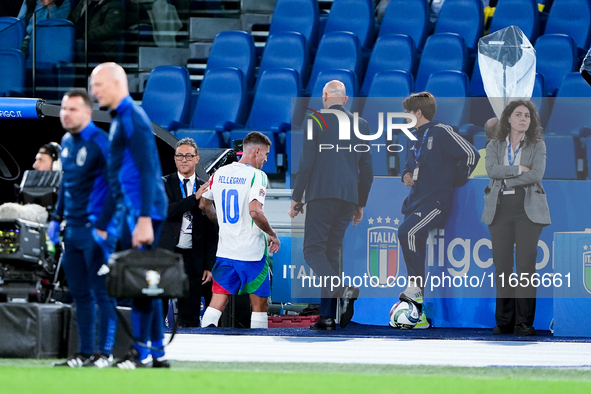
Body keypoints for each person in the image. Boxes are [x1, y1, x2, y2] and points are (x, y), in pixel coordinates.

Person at [90, 62, 169, 368]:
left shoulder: (132, 118)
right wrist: (103, 224)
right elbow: (115, 178)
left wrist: (145, 219)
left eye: (98, 85)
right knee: (142, 284)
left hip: (143, 212)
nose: (94, 91)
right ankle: (157, 353)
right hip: (132, 210)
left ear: (115, 83)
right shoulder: (119, 119)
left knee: (142, 284)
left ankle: (142, 352)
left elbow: (150, 169)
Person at [288, 80, 374, 331]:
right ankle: (326, 316)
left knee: (313, 251)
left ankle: (339, 287)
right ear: (345, 100)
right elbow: (366, 170)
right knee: (331, 253)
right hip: (348, 196)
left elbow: (307, 162)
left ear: (324, 96)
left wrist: (297, 196)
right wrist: (360, 203)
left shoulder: (316, 120)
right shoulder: (362, 124)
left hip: (321, 194)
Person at [50, 88, 118, 368]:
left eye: (73, 109)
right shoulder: (65, 142)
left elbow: (117, 187)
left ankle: (105, 353)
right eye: (64, 109)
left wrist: (102, 227)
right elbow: (67, 183)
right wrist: (56, 218)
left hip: (96, 231)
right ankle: (84, 352)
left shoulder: (102, 143)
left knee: (102, 292)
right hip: (73, 230)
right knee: (79, 294)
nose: (66, 114)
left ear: (88, 113)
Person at [398, 92, 479, 329]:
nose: (404, 117)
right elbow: (408, 164)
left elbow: (471, 154)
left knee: (408, 232)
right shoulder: (412, 137)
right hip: (416, 199)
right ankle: (418, 306)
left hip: (435, 202)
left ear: (418, 113)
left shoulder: (442, 132)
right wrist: (405, 175)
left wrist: (455, 180)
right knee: (409, 235)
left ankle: (415, 289)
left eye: (407, 112)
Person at [482, 100, 550, 336]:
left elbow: (537, 175)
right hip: (499, 207)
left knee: (525, 267)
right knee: (502, 265)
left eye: (528, 116)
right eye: (518, 114)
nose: (523, 119)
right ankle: (504, 321)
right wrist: (519, 169)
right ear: (508, 119)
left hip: (527, 208)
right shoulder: (494, 145)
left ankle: (524, 322)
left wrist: (508, 178)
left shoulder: (537, 145)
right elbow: (491, 170)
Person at [199, 131, 281, 329]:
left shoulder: (220, 173)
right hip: (251, 253)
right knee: (259, 304)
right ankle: (259, 350)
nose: (266, 159)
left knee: (217, 302)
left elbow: (203, 203)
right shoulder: (257, 176)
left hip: (226, 251)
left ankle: (202, 342)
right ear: (257, 151)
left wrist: (222, 224)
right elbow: (255, 212)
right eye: (266, 154)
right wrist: (272, 234)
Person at [160, 137, 217, 327]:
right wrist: (194, 198)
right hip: (167, 253)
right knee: (159, 306)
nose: (184, 160)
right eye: (180, 156)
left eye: (188, 156)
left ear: (197, 159)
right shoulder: (163, 183)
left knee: (191, 313)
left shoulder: (206, 187)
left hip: (194, 257)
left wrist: (208, 264)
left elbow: (211, 229)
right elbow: (166, 211)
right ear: (175, 159)